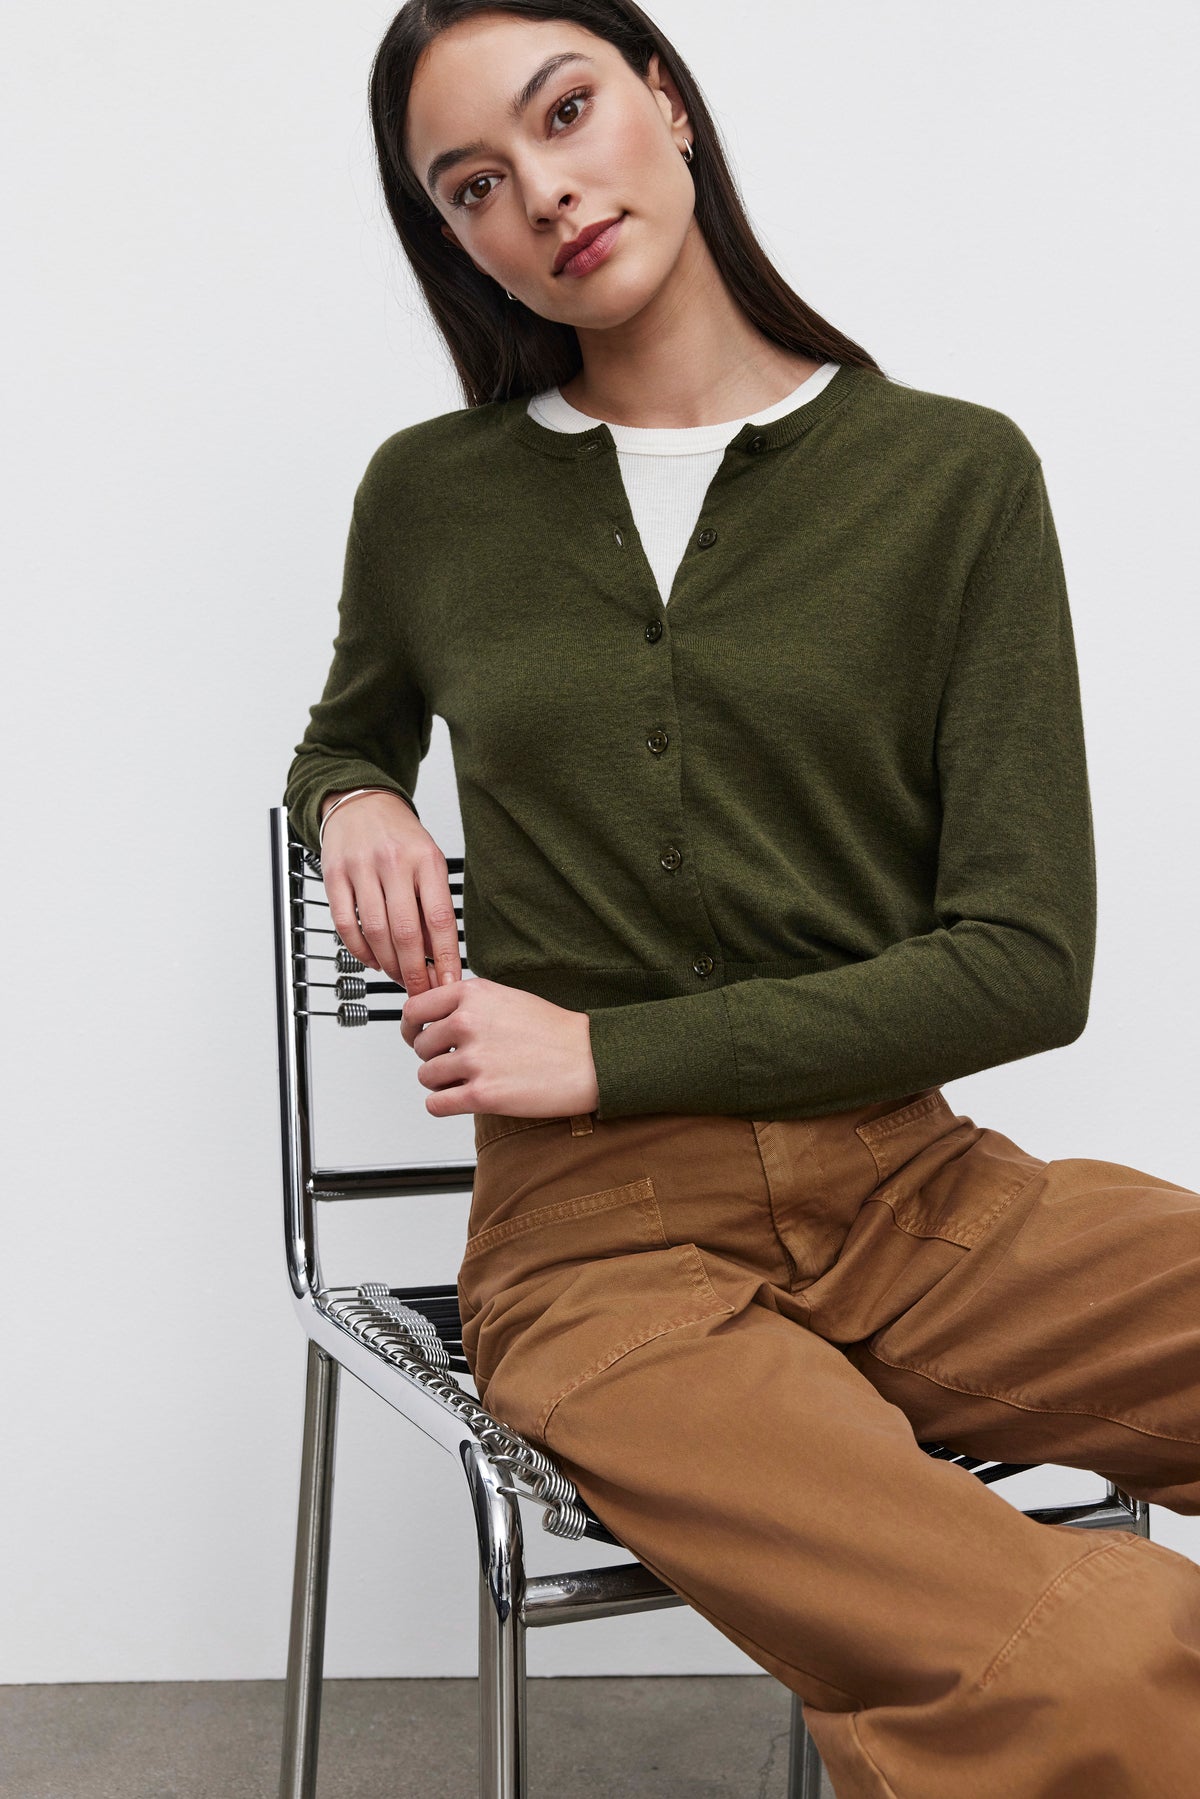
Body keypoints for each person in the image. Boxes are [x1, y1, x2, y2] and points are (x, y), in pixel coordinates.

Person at [283, 4, 1200, 1791]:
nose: (539, 194)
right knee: (1085, 1655)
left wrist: (605, 1050)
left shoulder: (952, 478)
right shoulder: (434, 498)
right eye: (473, 184)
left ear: (670, 107)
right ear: (452, 235)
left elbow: (1027, 963)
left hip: (922, 1196)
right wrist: (356, 794)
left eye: (566, 114)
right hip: (599, 1260)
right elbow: (339, 736)